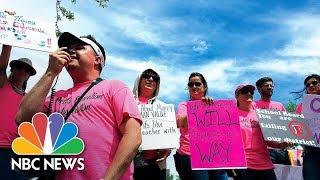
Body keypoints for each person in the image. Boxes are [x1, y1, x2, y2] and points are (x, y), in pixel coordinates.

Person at [16, 32, 142, 180]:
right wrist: (51, 72)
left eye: (80, 47)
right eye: (69, 48)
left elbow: (133, 136)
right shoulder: (56, 97)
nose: (70, 51)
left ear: (97, 60)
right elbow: (22, 119)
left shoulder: (114, 87)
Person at [174, 72, 228, 180]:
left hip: (215, 155)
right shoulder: (183, 105)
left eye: (197, 84)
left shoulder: (215, 106)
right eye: (190, 84)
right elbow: (181, 123)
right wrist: (200, 107)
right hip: (191, 155)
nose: (194, 86)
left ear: (205, 86)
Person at [0, 44, 36, 179]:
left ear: (29, 75)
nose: (23, 70)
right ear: (13, 69)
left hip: (14, 151)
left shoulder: (29, 99)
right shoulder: (2, 84)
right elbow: (1, 68)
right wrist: (7, 48)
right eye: (19, 67)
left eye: (27, 70)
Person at [133, 68, 170, 180]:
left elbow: (169, 133)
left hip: (157, 163)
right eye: (147, 76)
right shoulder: (127, 102)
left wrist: (167, 150)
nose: (150, 79)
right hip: (131, 162)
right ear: (139, 80)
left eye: (155, 78)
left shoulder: (163, 107)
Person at [234, 84, 277, 180]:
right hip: (244, 165)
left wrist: (282, 145)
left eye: (251, 92)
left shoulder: (261, 115)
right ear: (237, 96)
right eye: (244, 91)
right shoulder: (231, 115)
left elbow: (268, 140)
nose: (249, 93)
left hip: (265, 164)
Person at [255, 77, 290, 165]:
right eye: (267, 85)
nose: (270, 87)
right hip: (264, 150)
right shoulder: (253, 105)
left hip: (282, 150)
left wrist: (290, 138)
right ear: (259, 89)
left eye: (271, 85)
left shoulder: (280, 105)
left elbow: (287, 124)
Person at [294, 74, 320, 180]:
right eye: (307, 84)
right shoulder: (301, 106)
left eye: (314, 82)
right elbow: (297, 127)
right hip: (311, 151)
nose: (310, 85)